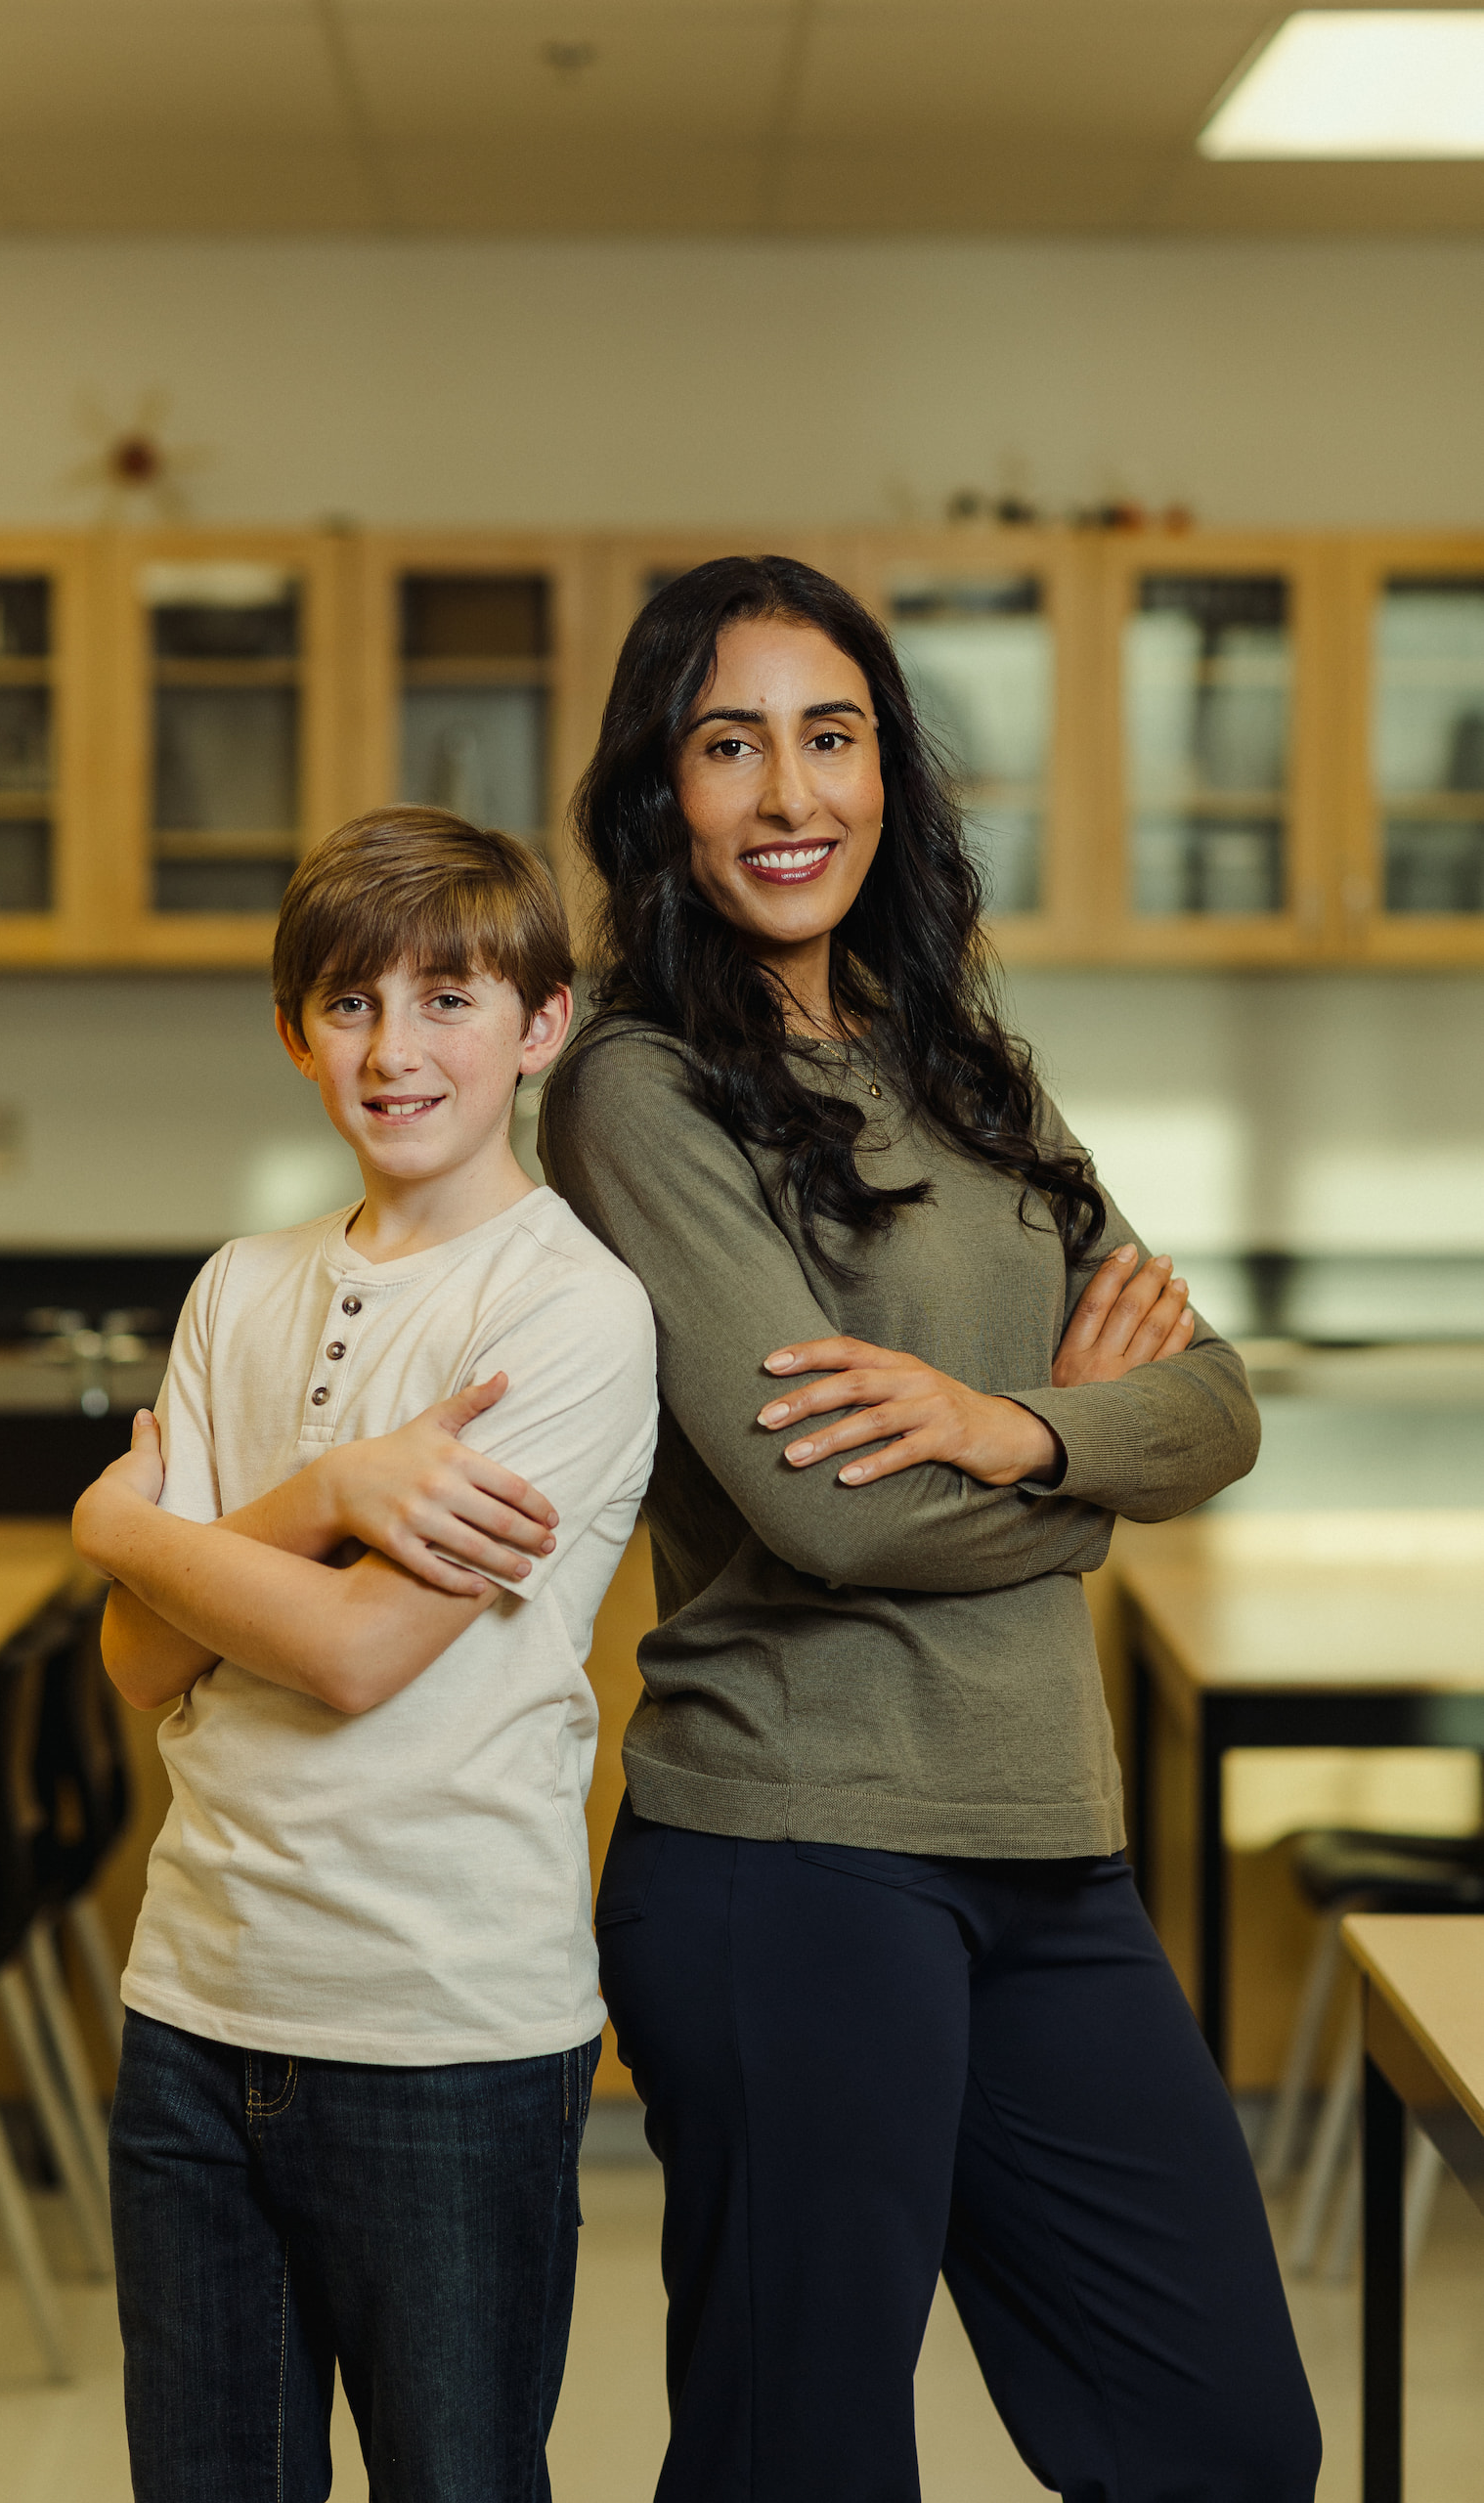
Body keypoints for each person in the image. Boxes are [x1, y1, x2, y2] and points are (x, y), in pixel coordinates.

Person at [540, 556, 1322, 2503]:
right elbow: (828, 1512)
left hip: (1046, 1844)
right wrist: (1079, 1472)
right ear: (663, 786)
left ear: (886, 771)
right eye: (731, 743)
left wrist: (995, 1428)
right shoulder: (638, 1093)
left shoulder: (955, 1052)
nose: (788, 791)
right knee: (794, 2457)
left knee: (1222, 2434)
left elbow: (1209, 1401)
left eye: (831, 734)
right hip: (788, 1854)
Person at [70, 808, 658, 2503]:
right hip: (195, 2004)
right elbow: (138, 1663)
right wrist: (322, 1492)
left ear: (541, 1026)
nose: (395, 1050)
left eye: (450, 1000)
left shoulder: (567, 1312)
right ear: (293, 1030)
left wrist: (129, 1527)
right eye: (348, 1004)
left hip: (444, 2029)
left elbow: (344, 1656)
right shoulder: (236, 1290)